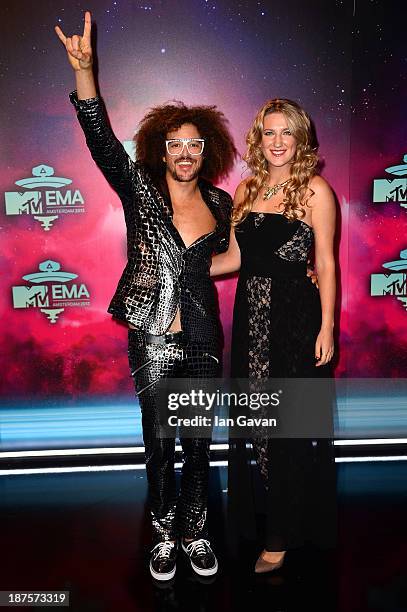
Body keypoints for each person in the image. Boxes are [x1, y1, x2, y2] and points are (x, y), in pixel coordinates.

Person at [55, 11, 237, 581]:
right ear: (161, 149)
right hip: (153, 335)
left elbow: (225, 260)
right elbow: (102, 142)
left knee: (199, 443)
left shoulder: (222, 205)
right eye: (176, 145)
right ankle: (163, 533)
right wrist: (86, 74)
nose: (186, 154)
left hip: (203, 338)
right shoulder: (140, 188)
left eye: (195, 146)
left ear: (208, 152)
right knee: (159, 444)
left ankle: (195, 531)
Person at [211, 98, 337, 572]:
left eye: (287, 133)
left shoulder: (316, 192)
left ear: (300, 138)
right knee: (257, 425)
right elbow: (235, 259)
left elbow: (324, 262)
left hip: (295, 321)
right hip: (250, 323)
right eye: (270, 133)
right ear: (258, 139)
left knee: (287, 428)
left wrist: (327, 325)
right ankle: (269, 515)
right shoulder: (245, 191)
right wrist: (183, 265)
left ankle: (282, 535)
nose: (278, 142)